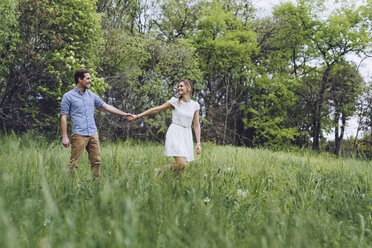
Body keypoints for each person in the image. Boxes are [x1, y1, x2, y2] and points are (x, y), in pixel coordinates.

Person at [60, 68, 131, 179]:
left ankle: (96, 185)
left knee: (96, 162)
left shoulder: (91, 96)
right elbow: (64, 117)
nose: (90, 81)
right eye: (87, 78)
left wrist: (124, 114)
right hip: (79, 134)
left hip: (93, 133)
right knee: (73, 164)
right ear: (80, 79)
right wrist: (65, 136)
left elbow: (106, 106)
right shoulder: (68, 96)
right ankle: (70, 187)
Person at [128, 79, 201, 176]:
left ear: (188, 88)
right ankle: (158, 171)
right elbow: (156, 110)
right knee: (181, 163)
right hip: (175, 132)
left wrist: (198, 143)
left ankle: (177, 188)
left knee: (182, 168)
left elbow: (196, 125)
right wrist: (137, 116)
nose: (179, 88)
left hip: (186, 135)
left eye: (181, 86)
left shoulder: (194, 105)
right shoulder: (174, 102)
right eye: (178, 86)